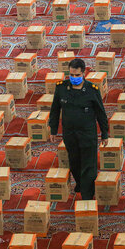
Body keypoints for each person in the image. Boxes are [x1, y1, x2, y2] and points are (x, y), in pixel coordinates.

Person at [49, 58, 109, 200]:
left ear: (83, 73)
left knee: (89, 164)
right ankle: (81, 184)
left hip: (87, 133)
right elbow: (55, 110)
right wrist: (53, 129)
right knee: (74, 162)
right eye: (71, 75)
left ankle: (87, 195)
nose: (74, 78)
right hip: (69, 133)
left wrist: (105, 134)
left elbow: (101, 113)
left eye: (77, 75)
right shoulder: (61, 88)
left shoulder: (92, 90)